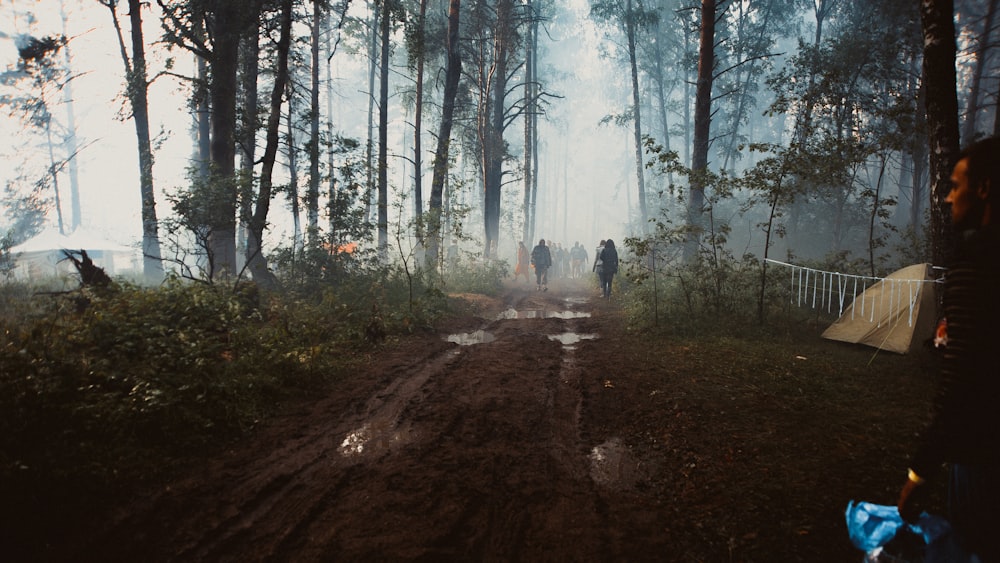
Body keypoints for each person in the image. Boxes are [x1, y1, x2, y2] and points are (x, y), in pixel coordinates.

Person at [897, 137, 1000, 562]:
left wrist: (918, 473)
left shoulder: (976, 258)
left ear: (985, 189)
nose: (947, 197)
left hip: (982, 450)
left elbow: (963, 380)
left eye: (956, 185)